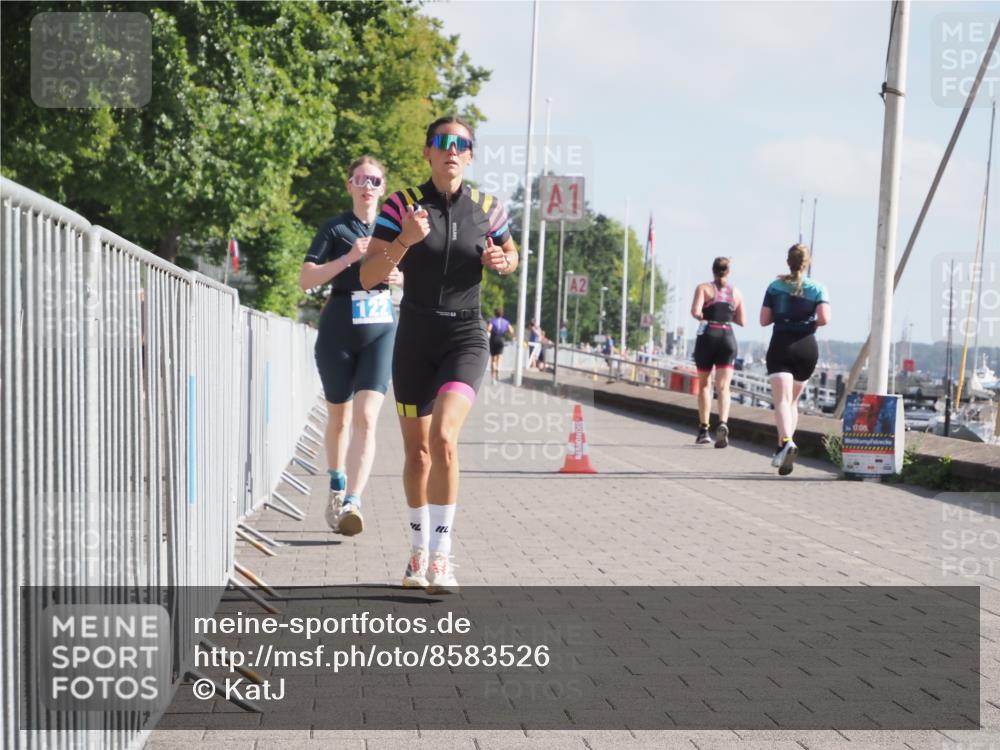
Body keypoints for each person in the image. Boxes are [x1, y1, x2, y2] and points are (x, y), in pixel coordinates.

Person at [360, 115, 518, 593]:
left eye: (461, 144)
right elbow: (368, 276)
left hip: (466, 335)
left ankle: (442, 558)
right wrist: (404, 240)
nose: (452, 149)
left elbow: (511, 256)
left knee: (444, 438)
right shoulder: (401, 205)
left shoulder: (489, 208)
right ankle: (417, 551)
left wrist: (503, 261)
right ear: (427, 150)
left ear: (470, 156)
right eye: (442, 141)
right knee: (419, 453)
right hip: (415, 337)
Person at [299, 156, 402, 536]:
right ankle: (337, 484)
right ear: (350, 185)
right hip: (339, 328)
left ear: (383, 188)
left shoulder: (395, 231)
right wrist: (348, 258)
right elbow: (306, 279)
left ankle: (353, 502)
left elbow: (421, 278)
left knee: (367, 418)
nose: (367, 186)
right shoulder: (336, 227)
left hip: (380, 329)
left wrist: (401, 277)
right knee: (340, 418)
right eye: (361, 179)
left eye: (374, 180)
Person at [760, 243, 831, 475]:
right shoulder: (818, 288)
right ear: (807, 263)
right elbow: (824, 318)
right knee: (792, 402)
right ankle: (783, 449)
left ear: (788, 262)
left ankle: (786, 442)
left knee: (781, 401)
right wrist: (808, 321)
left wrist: (784, 314)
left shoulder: (774, 287)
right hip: (807, 347)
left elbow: (764, 320)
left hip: (782, 344)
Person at [690, 257, 745, 447]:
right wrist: (727, 314)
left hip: (708, 335)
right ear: (728, 272)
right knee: (724, 387)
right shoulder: (736, 292)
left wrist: (707, 314)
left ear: (712, 270)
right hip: (727, 337)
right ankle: (723, 423)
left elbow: (696, 312)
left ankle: (704, 430)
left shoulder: (703, 288)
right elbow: (742, 320)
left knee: (705, 385)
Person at [486, 307, 514, 385]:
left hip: (493, 339)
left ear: (495, 314)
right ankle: (498, 368)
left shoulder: (492, 321)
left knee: (493, 359)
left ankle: (493, 378)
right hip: (501, 339)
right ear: (502, 314)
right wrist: (507, 332)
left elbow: (488, 329)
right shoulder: (506, 322)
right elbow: (511, 331)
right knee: (499, 356)